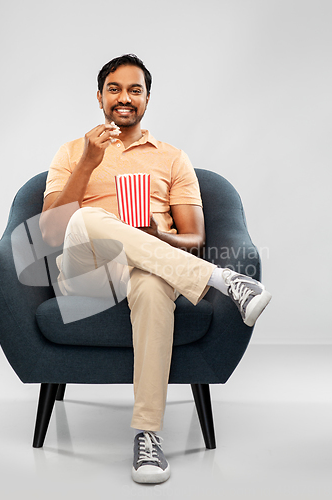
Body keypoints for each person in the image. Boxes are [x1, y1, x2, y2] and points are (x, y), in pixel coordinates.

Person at [39, 54, 271, 484]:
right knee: (87, 219)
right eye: (114, 88)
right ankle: (223, 281)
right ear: (99, 96)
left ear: (147, 99)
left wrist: (154, 238)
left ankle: (147, 438)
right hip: (86, 275)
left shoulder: (171, 158)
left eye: (135, 90)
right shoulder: (73, 152)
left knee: (151, 284)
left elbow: (194, 238)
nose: (124, 97)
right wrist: (89, 162)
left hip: (149, 267)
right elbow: (50, 235)